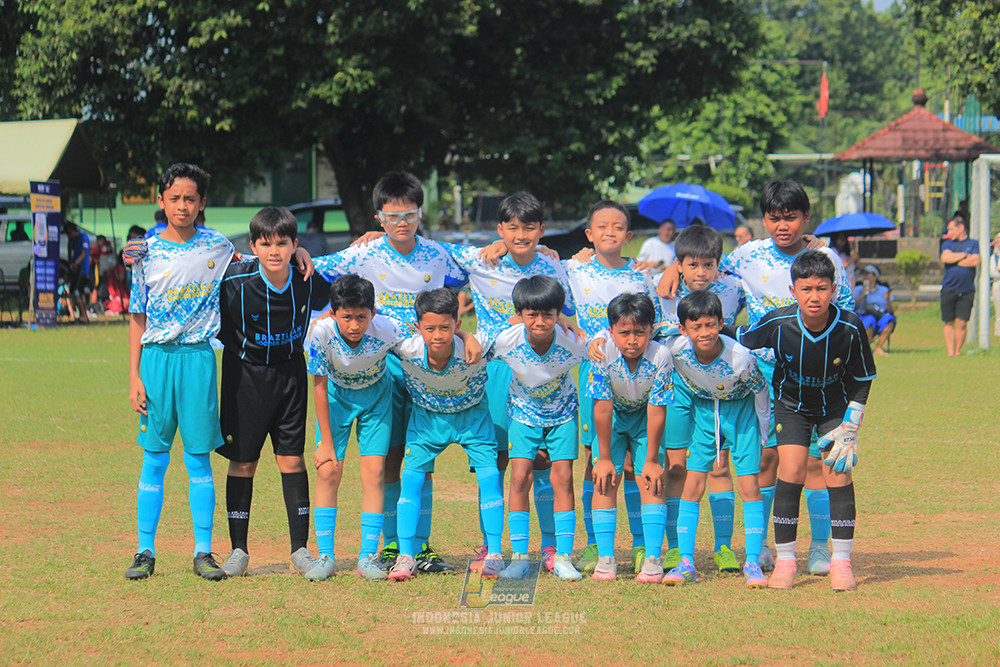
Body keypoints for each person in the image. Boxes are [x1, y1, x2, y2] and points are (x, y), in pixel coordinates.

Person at [658, 180, 854, 576]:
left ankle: (817, 548)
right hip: (761, 374)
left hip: (813, 374)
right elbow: (704, 264)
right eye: (774, 218)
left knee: (816, 463)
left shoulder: (825, 257)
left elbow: (846, 312)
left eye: (791, 217)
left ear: (806, 218)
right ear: (764, 219)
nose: (782, 225)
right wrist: (670, 267)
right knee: (766, 459)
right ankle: (761, 546)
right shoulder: (746, 256)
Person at [313, 172, 468, 574]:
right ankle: (390, 545)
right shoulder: (362, 253)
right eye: (392, 216)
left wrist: (529, 248)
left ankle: (422, 546)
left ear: (421, 213)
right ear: (379, 216)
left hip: (425, 366)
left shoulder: (438, 255)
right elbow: (308, 266)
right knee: (388, 458)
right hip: (380, 369)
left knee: (422, 456)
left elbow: (483, 265)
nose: (402, 223)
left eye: (410, 215)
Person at [306, 275, 482, 581]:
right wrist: (326, 444)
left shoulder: (388, 329)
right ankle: (325, 556)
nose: (354, 326)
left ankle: (366, 557)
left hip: (376, 399)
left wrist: (466, 336)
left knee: (374, 473)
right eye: (346, 317)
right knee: (328, 470)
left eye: (362, 317)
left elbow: (432, 336)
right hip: (336, 399)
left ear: (373, 313)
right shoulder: (320, 333)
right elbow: (319, 388)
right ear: (333, 314)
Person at [439, 192, 580, 570]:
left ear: (541, 230)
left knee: (546, 462)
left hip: (541, 373)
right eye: (512, 228)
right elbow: (424, 246)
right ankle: (493, 547)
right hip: (495, 371)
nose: (521, 235)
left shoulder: (553, 265)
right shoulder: (478, 258)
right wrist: (377, 233)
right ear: (500, 229)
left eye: (529, 227)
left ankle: (552, 549)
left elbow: (571, 311)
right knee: (497, 461)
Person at [733, 250, 876, 591]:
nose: (815, 296)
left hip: (834, 410)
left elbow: (862, 379)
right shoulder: (778, 323)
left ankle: (840, 562)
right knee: (792, 469)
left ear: (834, 288)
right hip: (791, 406)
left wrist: (850, 427)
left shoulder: (850, 327)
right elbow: (735, 334)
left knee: (837, 472)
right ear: (793, 290)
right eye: (806, 288)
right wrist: (685, 331)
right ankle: (785, 562)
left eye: (822, 288)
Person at [124, 163, 235, 581]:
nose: (182, 206)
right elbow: (138, 315)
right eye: (174, 198)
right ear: (161, 201)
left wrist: (294, 251)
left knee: (198, 458)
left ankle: (203, 552)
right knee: (154, 458)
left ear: (202, 203)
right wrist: (134, 376)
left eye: (190, 199)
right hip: (155, 361)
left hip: (198, 360)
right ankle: (144, 550)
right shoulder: (144, 251)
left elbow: (262, 261)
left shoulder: (219, 247)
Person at [214, 207, 331, 578]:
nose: (275, 251)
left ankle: (300, 550)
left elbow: (342, 293)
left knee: (292, 461)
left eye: (283, 243)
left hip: (290, 377)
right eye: (266, 244)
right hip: (243, 377)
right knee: (243, 461)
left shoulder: (307, 277)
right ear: (253, 247)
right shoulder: (233, 279)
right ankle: (238, 551)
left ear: (296, 245)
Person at [560, 200, 661, 575]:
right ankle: (594, 544)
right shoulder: (573, 269)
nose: (609, 233)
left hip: (637, 378)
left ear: (629, 236)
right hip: (595, 377)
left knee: (636, 463)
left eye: (617, 227)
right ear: (589, 234)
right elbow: (539, 263)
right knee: (596, 460)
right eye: (601, 227)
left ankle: (639, 545)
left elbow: (658, 323)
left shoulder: (640, 275)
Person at [387, 288, 503, 581]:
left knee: (490, 480)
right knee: (411, 483)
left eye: (446, 328)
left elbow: (518, 324)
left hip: (473, 420)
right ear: (418, 328)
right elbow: (367, 327)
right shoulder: (406, 346)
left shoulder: (477, 345)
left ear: (457, 325)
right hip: (427, 422)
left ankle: (495, 554)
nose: (437, 335)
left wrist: (565, 322)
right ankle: (406, 556)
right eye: (429, 328)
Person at [658, 291, 770, 589]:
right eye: (696, 327)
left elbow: (761, 393)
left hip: (742, 412)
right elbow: (645, 331)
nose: (704, 333)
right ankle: (686, 561)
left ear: (721, 323)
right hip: (706, 411)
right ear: (683, 329)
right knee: (693, 482)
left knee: (749, 484)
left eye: (711, 325)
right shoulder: (675, 347)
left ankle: (753, 561)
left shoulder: (740, 358)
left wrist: (764, 433)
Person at [655, 223, 747, 574]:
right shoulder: (662, 290)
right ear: (679, 264)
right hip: (677, 389)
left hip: (717, 391)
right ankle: (677, 548)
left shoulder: (734, 286)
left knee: (720, 466)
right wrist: (668, 270)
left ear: (718, 265)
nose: (701, 272)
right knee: (676, 466)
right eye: (692, 265)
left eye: (708, 265)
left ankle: (724, 547)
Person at [489, 275, 589, 581]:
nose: (540, 321)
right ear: (519, 315)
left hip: (563, 413)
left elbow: (604, 348)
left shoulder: (574, 340)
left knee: (563, 477)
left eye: (548, 313)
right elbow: (472, 347)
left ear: (559, 313)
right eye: (531, 314)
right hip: (522, 413)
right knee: (519, 476)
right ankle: (519, 558)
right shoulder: (506, 339)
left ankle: (563, 557)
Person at [584, 293, 673, 582]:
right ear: (611, 331)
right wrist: (606, 457)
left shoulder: (661, 356)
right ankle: (606, 559)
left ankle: (652, 558)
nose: (632, 340)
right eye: (624, 333)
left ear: (651, 330)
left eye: (640, 332)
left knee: (652, 480)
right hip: (612, 418)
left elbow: (658, 409)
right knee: (604, 479)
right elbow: (602, 406)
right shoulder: (603, 353)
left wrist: (651, 460)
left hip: (645, 419)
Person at [940, 214, 980, 356]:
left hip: (967, 290)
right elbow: (945, 258)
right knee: (949, 321)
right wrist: (964, 256)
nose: (949, 233)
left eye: (951, 230)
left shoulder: (973, 244)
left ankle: (958, 351)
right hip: (949, 288)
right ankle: (951, 352)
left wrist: (954, 258)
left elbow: (975, 261)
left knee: (962, 322)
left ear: (961, 227)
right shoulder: (947, 244)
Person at [854, 264, 895, 355]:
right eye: (863, 274)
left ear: (875, 276)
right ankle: (866, 349)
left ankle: (879, 347)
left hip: (879, 316)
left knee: (890, 319)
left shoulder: (883, 290)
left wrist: (888, 298)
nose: (865, 276)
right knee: (870, 319)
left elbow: (891, 311)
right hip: (863, 316)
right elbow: (854, 307)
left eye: (867, 274)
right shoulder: (858, 289)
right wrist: (862, 294)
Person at [63, 221, 91, 322]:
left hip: (82, 270)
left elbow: (84, 253)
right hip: (75, 269)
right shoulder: (73, 239)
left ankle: (83, 315)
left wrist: (75, 263)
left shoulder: (83, 238)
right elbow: (70, 250)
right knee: (79, 292)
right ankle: (84, 315)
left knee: (75, 292)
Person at [991, 233, 1000, 336]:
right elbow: (993, 272)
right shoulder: (994, 257)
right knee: (999, 311)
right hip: (998, 285)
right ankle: (998, 333)